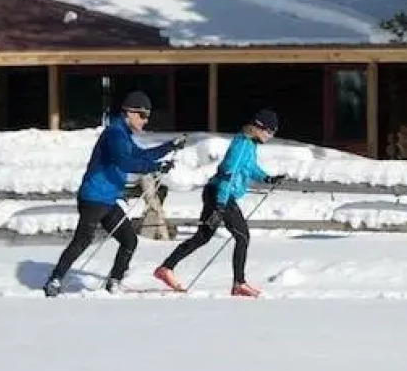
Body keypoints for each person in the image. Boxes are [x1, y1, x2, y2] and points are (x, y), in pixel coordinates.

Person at [43, 91, 185, 297]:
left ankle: (114, 281)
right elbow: (125, 162)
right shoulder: (114, 134)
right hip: (94, 197)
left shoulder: (123, 135)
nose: (146, 121)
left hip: (107, 199)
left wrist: (168, 147)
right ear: (130, 113)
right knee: (82, 240)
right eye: (143, 116)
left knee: (129, 240)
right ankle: (55, 279)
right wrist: (156, 166)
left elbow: (141, 155)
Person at [153, 108, 285, 298]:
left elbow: (250, 167)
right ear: (259, 127)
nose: (271, 136)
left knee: (203, 236)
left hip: (216, 193)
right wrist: (221, 205)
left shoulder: (248, 144)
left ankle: (166, 268)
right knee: (243, 236)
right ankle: (239, 283)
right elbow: (228, 174)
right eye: (270, 131)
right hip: (221, 194)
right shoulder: (242, 145)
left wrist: (267, 179)